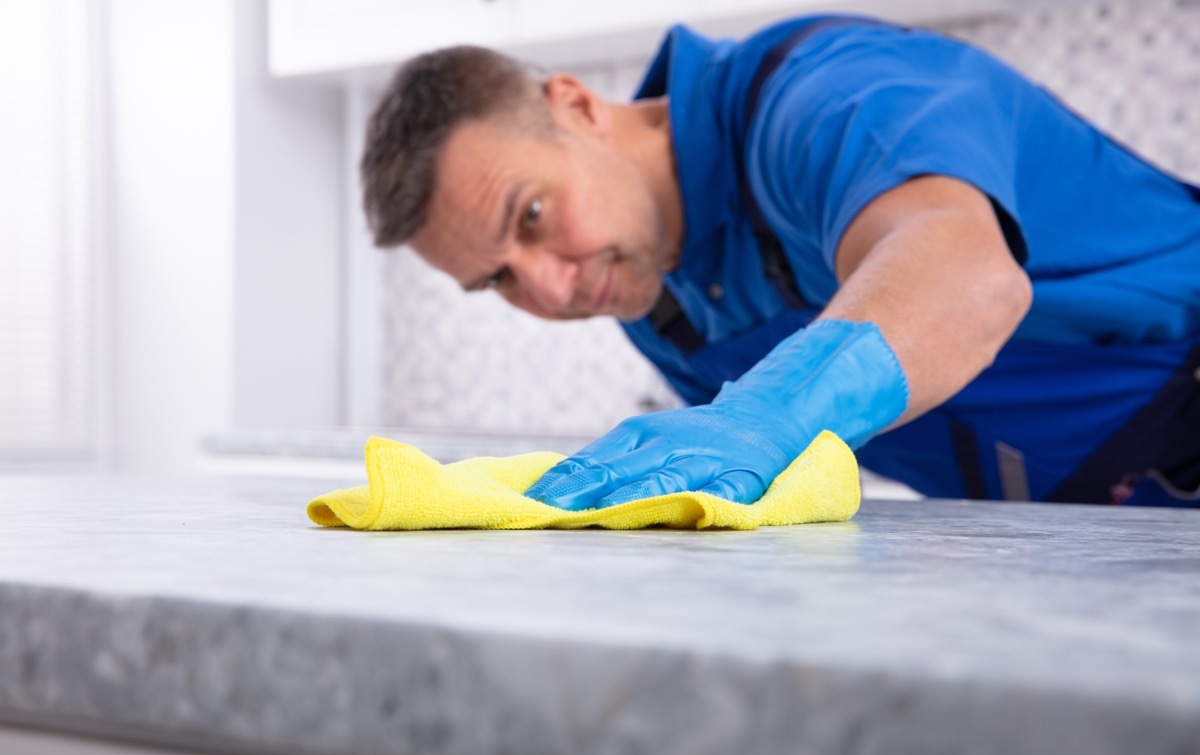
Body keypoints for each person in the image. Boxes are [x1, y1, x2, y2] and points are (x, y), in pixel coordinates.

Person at [359, 14, 1200, 509]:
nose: (549, 285)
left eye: (532, 215)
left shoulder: (826, 96)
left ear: (577, 106)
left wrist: (761, 414)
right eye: (497, 278)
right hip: (1093, 528)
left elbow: (966, 274)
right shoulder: (658, 305)